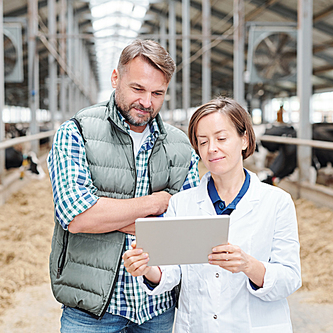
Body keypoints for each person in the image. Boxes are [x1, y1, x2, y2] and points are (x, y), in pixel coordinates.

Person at [47, 39, 200, 332]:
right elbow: (77, 217)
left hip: (157, 307)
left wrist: (107, 215)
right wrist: (158, 203)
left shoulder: (182, 147)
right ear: (116, 78)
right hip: (91, 309)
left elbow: (187, 230)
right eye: (138, 89)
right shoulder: (76, 131)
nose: (147, 102)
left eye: (158, 93)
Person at [123, 97, 301, 332]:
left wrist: (248, 265)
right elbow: (172, 272)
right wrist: (147, 268)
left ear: (244, 139)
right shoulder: (181, 204)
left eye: (221, 138)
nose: (212, 148)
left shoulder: (277, 202)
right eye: (203, 141)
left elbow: (290, 278)